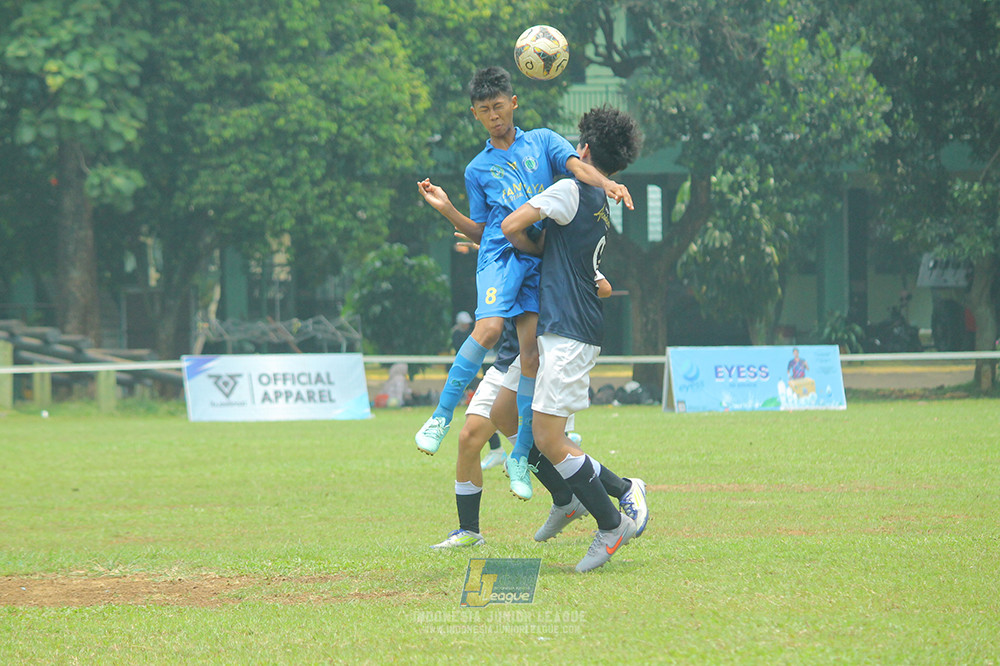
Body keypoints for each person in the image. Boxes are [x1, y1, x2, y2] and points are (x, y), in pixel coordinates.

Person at [415, 66, 633, 506]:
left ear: (513, 103)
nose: (493, 116)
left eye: (499, 107)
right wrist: (449, 211)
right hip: (500, 256)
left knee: (530, 354)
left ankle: (518, 459)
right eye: (484, 111)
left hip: (536, 261)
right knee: (491, 329)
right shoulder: (477, 168)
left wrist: (607, 181)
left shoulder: (545, 141)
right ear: (474, 115)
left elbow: (578, 169)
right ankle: (439, 417)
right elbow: (488, 229)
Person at [501, 104, 645, 572]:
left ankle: (610, 523)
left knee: (548, 438)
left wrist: (529, 246)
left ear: (581, 150)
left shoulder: (569, 189)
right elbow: (589, 270)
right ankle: (620, 493)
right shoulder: (599, 202)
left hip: (568, 331)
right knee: (548, 436)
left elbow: (510, 226)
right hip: (573, 329)